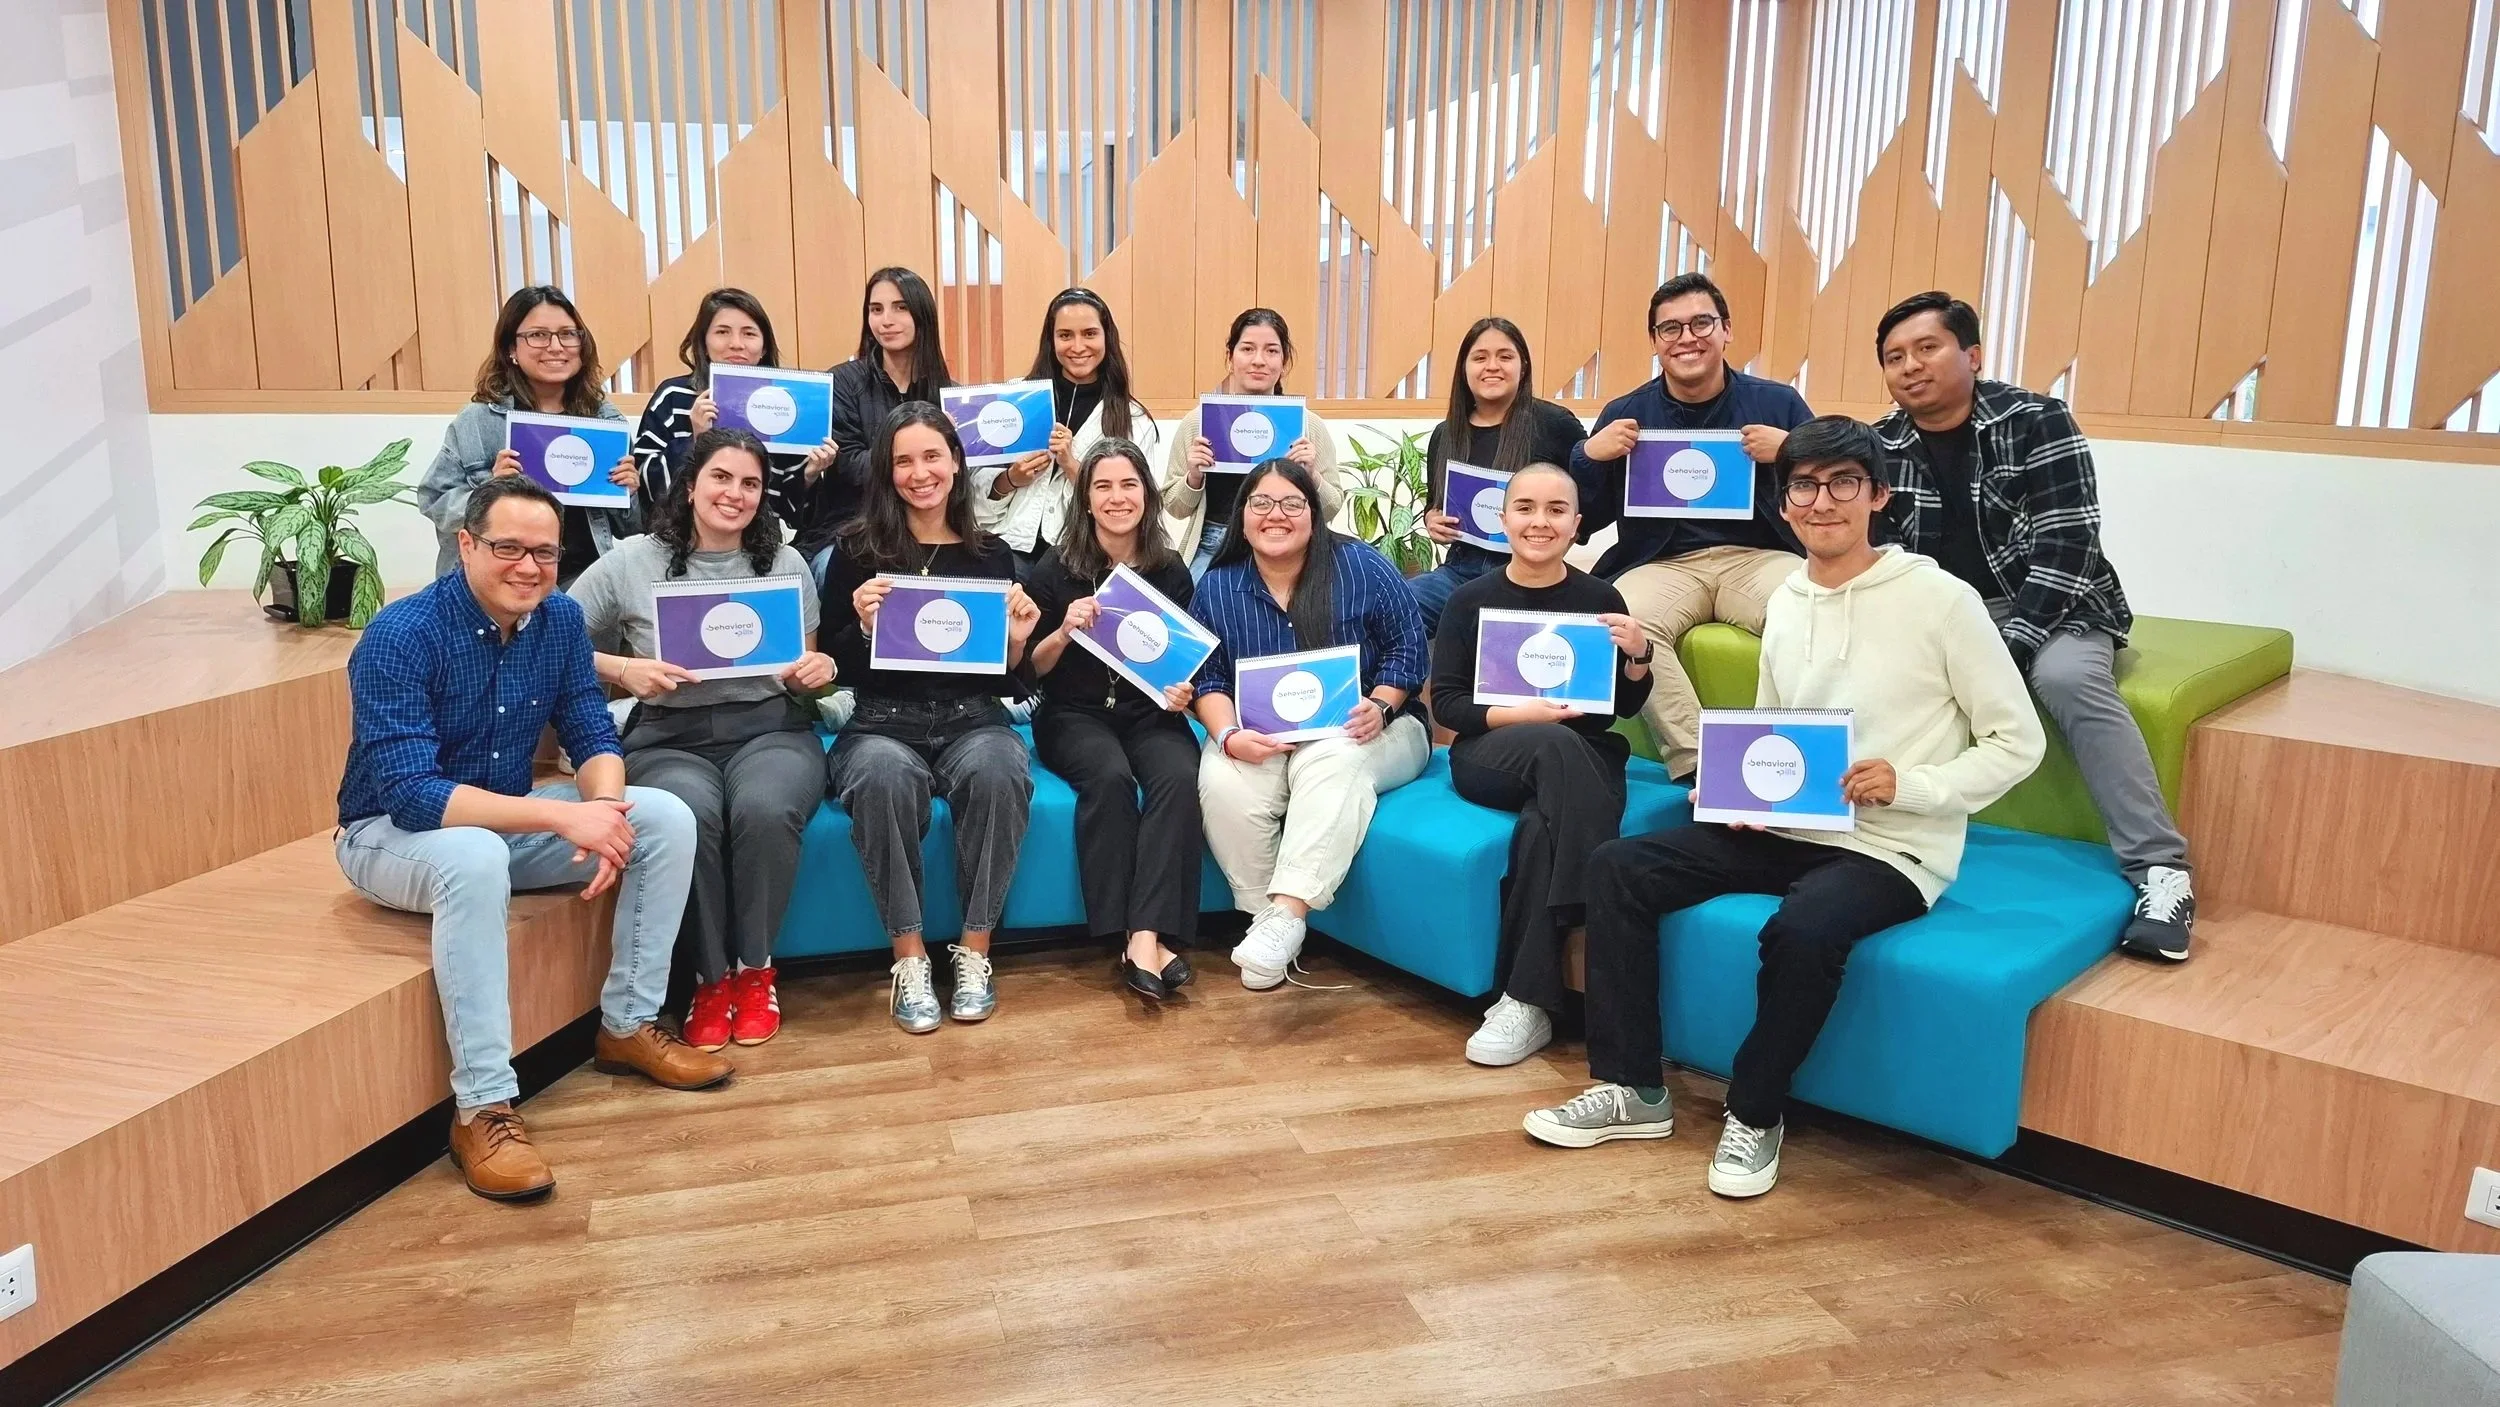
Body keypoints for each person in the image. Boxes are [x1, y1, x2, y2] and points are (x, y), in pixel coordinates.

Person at [1524, 417, 2044, 1201]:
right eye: (1804, 484)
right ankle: (1634, 1088)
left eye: (1843, 483)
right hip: (1789, 823)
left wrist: (1911, 784)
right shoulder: (1791, 599)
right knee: (1619, 868)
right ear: (1785, 498)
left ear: (1878, 496)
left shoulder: (1942, 600)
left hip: (1892, 845)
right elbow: (1777, 722)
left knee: (1803, 926)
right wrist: (1739, 792)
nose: (1821, 500)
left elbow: (2018, 740)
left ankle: (1755, 1112)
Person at [335, 476, 730, 1203]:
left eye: (544, 552)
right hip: (387, 834)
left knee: (664, 815)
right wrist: (560, 817)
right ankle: (483, 1106)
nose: (528, 566)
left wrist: (605, 811)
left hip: (501, 817)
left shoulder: (556, 625)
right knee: (478, 853)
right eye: (507, 547)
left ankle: (629, 1024)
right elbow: (411, 794)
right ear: (466, 545)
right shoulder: (401, 634)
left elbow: (588, 727)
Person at [1869, 291, 2196, 960]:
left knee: (2069, 678)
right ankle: (1880, 845)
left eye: (1927, 348)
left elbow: (2068, 548)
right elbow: (1885, 557)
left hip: (2058, 601)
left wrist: (2005, 647)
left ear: (1972, 354)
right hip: (1954, 610)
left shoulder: (2036, 420)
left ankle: (2161, 871)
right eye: (1894, 357)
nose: (1910, 367)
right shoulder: (1883, 443)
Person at [567, 428, 836, 1053]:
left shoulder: (787, 563)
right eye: (721, 477)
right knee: (690, 817)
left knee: (765, 810)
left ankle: (755, 969)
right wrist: (623, 670)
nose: (735, 494)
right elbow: (550, 634)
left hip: (769, 728)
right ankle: (709, 979)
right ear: (690, 485)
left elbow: (808, 661)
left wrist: (814, 672)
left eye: (750, 483)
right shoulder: (633, 560)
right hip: (669, 737)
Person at [818, 402, 1042, 1031]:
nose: (920, 473)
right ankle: (909, 957)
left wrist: (1019, 641)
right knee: (883, 776)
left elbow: (1002, 676)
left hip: (974, 717)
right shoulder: (857, 551)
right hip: (883, 720)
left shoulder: (990, 554)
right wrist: (861, 628)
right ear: (887, 472)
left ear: (955, 462)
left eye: (932, 456)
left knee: (1001, 768)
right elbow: (832, 666)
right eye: (904, 460)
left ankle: (975, 952)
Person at [1429, 463, 1652, 1065]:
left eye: (1556, 510)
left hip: (1579, 754)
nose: (1540, 521)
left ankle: (1524, 1002)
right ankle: (1592, 922)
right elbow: (1448, 703)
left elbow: (1618, 709)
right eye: (1525, 508)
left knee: (1539, 829)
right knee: (1555, 746)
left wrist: (1638, 657)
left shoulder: (1600, 598)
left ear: (1577, 525)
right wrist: (1520, 713)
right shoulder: (1469, 600)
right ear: (1502, 521)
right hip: (1491, 753)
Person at [1189, 460, 1432, 989]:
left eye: (1292, 504)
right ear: (1242, 515)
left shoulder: (1362, 566)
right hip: (1262, 733)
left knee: (1331, 758)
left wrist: (1381, 704)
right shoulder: (1219, 585)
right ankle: (1263, 925)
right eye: (1261, 504)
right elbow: (1207, 680)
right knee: (1221, 777)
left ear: (1314, 513)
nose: (1276, 515)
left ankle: (1289, 915)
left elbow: (1408, 650)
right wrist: (1229, 737)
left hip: (1375, 727)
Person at [1569, 273, 1815, 779]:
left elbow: (1835, 482)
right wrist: (1589, 455)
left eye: (1701, 323)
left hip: (1758, 557)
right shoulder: (1627, 413)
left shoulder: (1777, 403)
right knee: (1624, 622)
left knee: (1810, 610)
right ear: (1655, 342)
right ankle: (1705, 768)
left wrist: (1793, 451)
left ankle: (1796, 760)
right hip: (1661, 563)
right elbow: (1584, 521)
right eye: (1670, 329)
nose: (1687, 337)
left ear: (1726, 330)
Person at [1024, 438, 1203, 1001]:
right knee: (1109, 777)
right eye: (1103, 485)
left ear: (1147, 496)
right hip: (1073, 715)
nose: (1116, 497)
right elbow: (1030, 669)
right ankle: (1134, 935)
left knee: (1178, 775)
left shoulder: (1169, 568)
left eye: (1128, 485)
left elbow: (1184, 665)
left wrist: (1184, 693)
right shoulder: (1057, 567)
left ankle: (1145, 935)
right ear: (1086, 496)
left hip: (1147, 713)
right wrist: (1063, 630)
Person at [418, 285, 638, 587]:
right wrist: (490, 491)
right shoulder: (480, 420)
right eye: (538, 335)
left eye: (568, 334)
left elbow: (630, 526)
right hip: (499, 584)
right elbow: (434, 500)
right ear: (511, 349)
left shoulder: (604, 420)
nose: (556, 346)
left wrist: (631, 492)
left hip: (582, 582)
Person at [1409, 318, 1588, 635]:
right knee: (1398, 607)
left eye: (1505, 356)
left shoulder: (1554, 424)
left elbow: (1590, 502)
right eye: (1480, 357)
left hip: (1530, 573)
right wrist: (1432, 520)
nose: (1492, 366)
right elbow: (1434, 505)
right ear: (1464, 369)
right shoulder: (1446, 434)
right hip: (1459, 571)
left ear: (1523, 366)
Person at [977, 288, 1164, 575]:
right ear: (1051, 341)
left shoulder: (1133, 418)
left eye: (1089, 333)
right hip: (1008, 548)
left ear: (1107, 338)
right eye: (1065, 335)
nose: (1077, 346)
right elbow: (976, 488)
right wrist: (1011, 478)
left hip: (1081, 560)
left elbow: (1137, 501)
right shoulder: (1014, 399)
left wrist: (1071, 463)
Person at [632, 287, 835, 531]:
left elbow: (794, 515)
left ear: (764, 347)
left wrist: (809, 475)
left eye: (749, 334)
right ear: (704, 343)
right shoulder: (674, 396)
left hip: (764, 540)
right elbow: (644, 484)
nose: (736, 344)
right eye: (722, 332)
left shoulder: (785, 404)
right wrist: (696, 441)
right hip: (682, 536)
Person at [1164, 309, 1347, 579]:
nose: (1259, 360)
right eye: (1247, 349)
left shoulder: (1308, 426)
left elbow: (1330, 508)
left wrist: (1312, 477)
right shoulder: (1199, 421)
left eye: (1272, 351)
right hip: (1214, 544)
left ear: (1284, 362)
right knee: (1192, 611)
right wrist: (1193, 477)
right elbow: (1174, 507)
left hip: (1287, 544)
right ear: (1230, 357)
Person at [796, 267, 955, 569]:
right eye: (876, 309)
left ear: (922, 315)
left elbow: (957, 473)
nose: (886, 321)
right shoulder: (842, 381)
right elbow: (849, 465)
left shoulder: (947, 392)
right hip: (852, 525)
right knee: (827, 567)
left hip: (932, 527)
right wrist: (921, 447)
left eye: (901, 308)